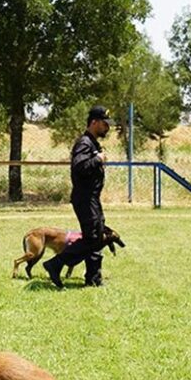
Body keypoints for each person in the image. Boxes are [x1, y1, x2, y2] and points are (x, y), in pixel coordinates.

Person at [42, 105, 113, 288]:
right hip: (85, 198)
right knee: (92, 238)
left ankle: (93, 279)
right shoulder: (84, 143)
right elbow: (79, 166)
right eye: (105, 124)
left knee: (96, 237)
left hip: (91, 199)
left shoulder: (92, 143)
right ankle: (55, 264)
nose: (108, 128)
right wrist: (98, 159)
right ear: (94, 122)